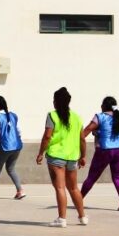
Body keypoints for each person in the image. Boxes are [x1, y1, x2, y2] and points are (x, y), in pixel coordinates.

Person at [36, 87, 87, 228]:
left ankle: (62, 219)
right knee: (74, 188)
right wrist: (83, 156)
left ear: (55, 102)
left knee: (60, 188)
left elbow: (47, 136)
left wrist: (41, 153)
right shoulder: (77, 117)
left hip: (56, 155)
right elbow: (82, 139)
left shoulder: (52, 115)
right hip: (72, 156)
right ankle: (82, 217)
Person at [80, 96, 119, 211]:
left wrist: (77, 142)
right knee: (117, 177)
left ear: (103, 106)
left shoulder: (100, 117)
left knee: (92, 177)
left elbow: (86, 131)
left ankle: (79, 198)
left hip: (104, 149)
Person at [0, 96, 25, 200]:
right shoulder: (13, 115)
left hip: (4, 146)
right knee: (11, 169)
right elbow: (19, 131)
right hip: (16, 146)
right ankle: (20, 191)